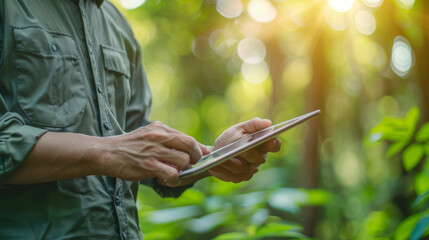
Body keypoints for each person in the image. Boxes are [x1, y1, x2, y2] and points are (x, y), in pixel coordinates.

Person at [0, 0, 281, 239]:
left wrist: (209, 158)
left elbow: (134, 138)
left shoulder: (116, 25)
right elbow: (122, 148)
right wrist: (108, 151)